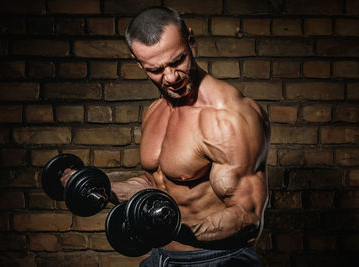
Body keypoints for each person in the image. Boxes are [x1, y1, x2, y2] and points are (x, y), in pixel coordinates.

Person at [62, 6, 270, 267]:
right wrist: (100, 189)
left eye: (177, 61)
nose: (171, 77)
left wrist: (165, 225)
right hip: (161, 258)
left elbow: (248, 217)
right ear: (139, 63)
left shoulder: (229, 117)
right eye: (155, 70)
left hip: (219, 260)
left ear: (190, 40)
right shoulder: (155, 112)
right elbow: (158, 182)